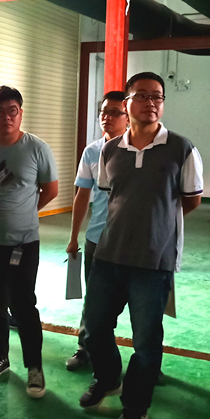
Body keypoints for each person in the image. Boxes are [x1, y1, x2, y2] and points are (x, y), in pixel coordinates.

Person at [79, 72, 203, 419]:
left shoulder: (181, 148)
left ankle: (136, 407)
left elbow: (191, 200)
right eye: (143, 95)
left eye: (157, 96)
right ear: (127, 103)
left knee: (146, 341)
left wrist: (157, 225)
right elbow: (112, 195)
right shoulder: (109, 150)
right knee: (94, 329)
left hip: (153, 261)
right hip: (108, 255)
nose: (151, 102)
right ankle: (108, 380)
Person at [0, 86, 58, 398]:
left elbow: (51, 189)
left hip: (23, 242)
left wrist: (26, 212)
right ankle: (1, 357)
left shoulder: (37, 148)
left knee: (23, 305)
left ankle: (34, 367)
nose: (6, 117)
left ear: (20, 113)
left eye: (12, 111)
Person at [64, 91, 128, 371]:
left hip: (130, 241)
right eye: (104, 112)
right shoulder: (92, 151)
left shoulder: (139, 151)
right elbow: (82, 195)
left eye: (115, 112)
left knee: (137, 302)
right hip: (97, 239)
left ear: (128, 117)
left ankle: (148, 360)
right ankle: (85, 347)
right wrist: (73, 237)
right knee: (93, 298)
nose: (107, 117)